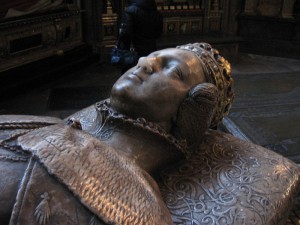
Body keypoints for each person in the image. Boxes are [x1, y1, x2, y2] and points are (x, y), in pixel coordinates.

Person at [0, 43, 299, 225]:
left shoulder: (128, 207)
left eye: (173, 71)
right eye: (153, 56)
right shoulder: (45, 126)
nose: (144, 62)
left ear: (193, 109)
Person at [116, 0, 163, 73]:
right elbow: (158, 33)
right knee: (148, 75)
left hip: (134, 52)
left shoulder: (130, 11)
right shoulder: (156, 12)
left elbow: (126, 34)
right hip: (151, 50)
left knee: (131, 76)